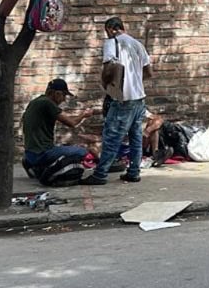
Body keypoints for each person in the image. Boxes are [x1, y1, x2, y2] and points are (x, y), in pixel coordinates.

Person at [82, 17, 152, 185]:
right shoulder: (138, 44)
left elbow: (109, 68)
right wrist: (134, 81)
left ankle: (100, 175)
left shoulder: (112, 43)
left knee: (112, 137)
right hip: (139, 99)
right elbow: (149, 72)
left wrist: (108, 85)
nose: (107, 35)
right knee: (136, 138)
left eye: (106, 31)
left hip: (123, 99)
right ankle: (134, 172)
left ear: (111, 29)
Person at [21, 78, 94, 175]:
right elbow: (72, 123)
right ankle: (41, 166)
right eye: (64, 95)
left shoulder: (35, 102)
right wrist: (84, 115)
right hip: (42, 154)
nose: (64, 99)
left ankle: (33, 165)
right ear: (57, 93)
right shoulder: (48, 103)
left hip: (29, 154)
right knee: (82, 151)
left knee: (62, 149)